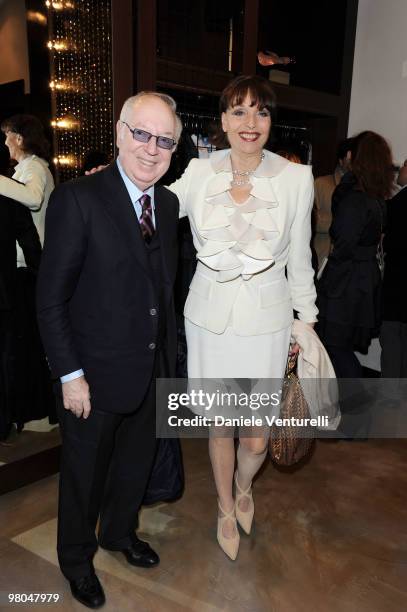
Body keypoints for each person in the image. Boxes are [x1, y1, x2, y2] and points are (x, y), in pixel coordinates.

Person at [36, 92, 181, 609]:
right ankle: (76, 561)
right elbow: (50, 300)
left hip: (148, 370)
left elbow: (162, 291)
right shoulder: (78, 199)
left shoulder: (167, 203)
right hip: (92, 378)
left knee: (133, 467)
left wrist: (170, 365)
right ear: (120, 133)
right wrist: (69, 374)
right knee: (83, 478)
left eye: (164, 140)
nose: (151, 148)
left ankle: (119, 534)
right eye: (141, 133)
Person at [169, 75, 318, 560]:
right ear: (223, 121)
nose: (249, 123)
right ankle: (225, 508)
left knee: (255, 438)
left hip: (268, 323)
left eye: (261, 112)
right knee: (219, 425)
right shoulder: (197, 172)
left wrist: (306, 321)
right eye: (238, 111)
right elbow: (151, 202)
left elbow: (300, 256)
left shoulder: (296, 180)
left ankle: (243, 483)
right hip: (209, 320)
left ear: (271, 121)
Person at [316, 131, 394, 379]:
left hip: (346, 285)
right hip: (362, 281)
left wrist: (324, 286)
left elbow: (344, 245)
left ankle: (355, 402)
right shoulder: (376, 197)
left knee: (334, 346)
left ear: (355, 157)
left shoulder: (355, 198)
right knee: (340, 347)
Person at [0, 194, 42, 440]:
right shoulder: (12, 200)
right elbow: (31, 246)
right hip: (5, 294)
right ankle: (4, 422)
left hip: (5, 295)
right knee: (5, 361)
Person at [0, 114, 54, 263]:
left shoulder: (34, 166)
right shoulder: (28, 167)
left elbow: (34, 198)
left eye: (7, 136)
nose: (5, 142)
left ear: (19, 138)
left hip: (29, 260)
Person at [380, 159, 407, 377]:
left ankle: (389, 397)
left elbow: (390, 243)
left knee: (390, 338)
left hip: (397, 283)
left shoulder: (398, 203)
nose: (400, 170)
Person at [313, 138, 353, 266]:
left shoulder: (364, 190)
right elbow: (310, 221)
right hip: (323, 256)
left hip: (351, 263)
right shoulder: (321, 184)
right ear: (342, 159)